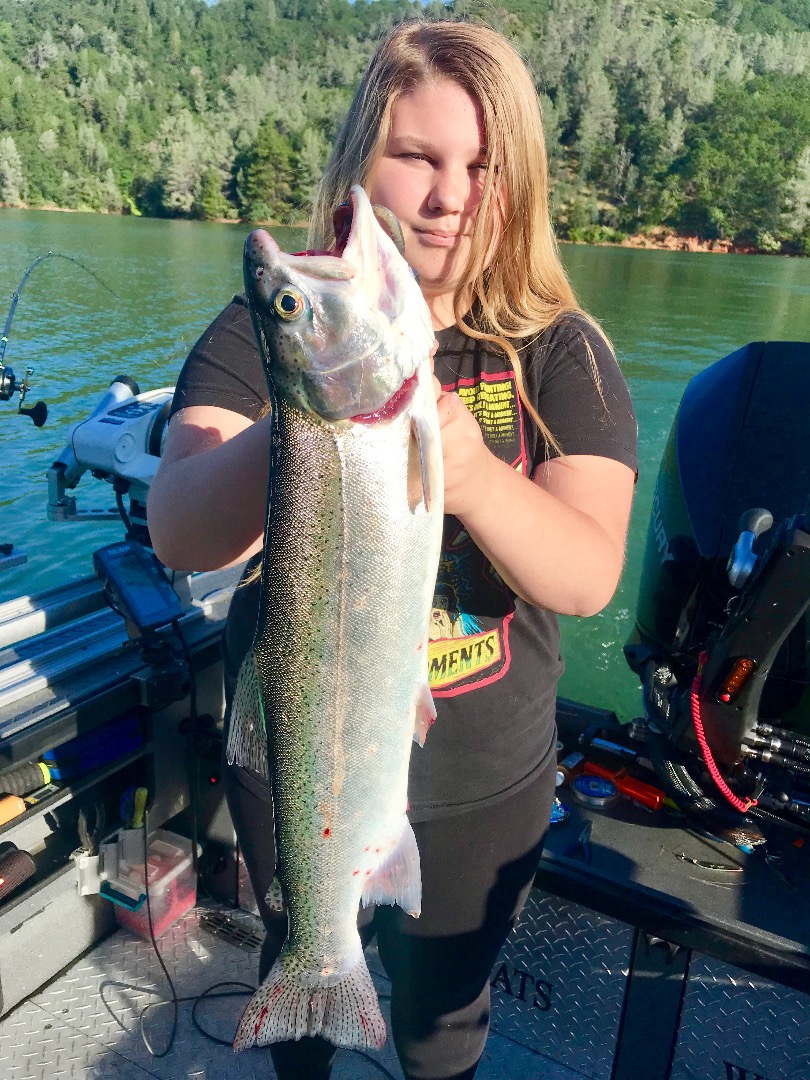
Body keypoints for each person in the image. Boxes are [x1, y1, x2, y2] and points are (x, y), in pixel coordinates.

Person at [147, 18, 637, 1080]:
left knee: (439, 1022)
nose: (450, 194)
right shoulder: (263, 333)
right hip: (297, 757)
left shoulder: (563, 352)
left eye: (480, 163)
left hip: (485, 778)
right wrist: (311, 406)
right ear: (360, 163)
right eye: (416, 155)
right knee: (304, 956)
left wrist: (474, 475)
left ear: (519, 182)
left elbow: (590, 573)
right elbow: (179, 529)